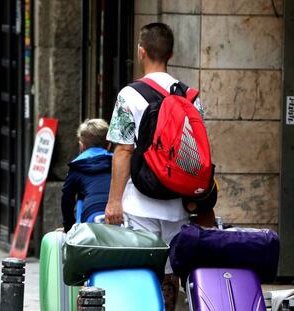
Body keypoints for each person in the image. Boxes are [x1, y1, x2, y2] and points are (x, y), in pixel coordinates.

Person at [105, 23, 217, 310]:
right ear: (172, 53)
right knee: (170, 271)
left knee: (142, 268)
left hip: (139, 200)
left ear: (141, 51)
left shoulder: (129, 95)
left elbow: (123, 150)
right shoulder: (190, 96)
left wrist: (114, 201)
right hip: (178, 201)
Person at [61, 119, 112, 233]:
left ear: (81, 146)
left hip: (89, 219)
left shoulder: (77, 167)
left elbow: (67, 200)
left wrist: (68, 227)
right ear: (109, 145)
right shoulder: (118, 164)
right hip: (118, 215)